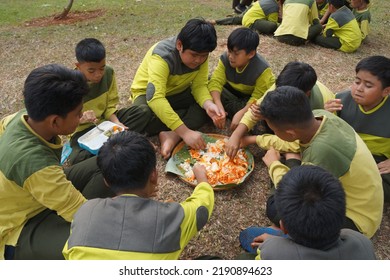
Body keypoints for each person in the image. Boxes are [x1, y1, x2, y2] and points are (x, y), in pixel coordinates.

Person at [0, 64, 113, 260]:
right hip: (18, 224)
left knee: (107, 164)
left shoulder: (17, 118)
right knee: (94, 245)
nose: (81, 117)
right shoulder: (36, 165)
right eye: (78, 113)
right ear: (55, 122)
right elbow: (76, 208)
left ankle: (66, 224)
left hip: (36, 192)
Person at [62, 131, 215, 260]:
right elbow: (202, 207)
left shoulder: (84, 213)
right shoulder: (171, 219)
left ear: (106, 181)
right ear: (154, 176)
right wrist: (202, 180)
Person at [256, 86, 383, 239]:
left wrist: (273, 165)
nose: (274, 133)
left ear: (290, 133)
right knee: (290, 158)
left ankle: (292, 162)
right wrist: (254, 139)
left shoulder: (321, 153)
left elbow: (297, 197)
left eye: (274, 130)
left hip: (355, 223)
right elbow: (293, 143)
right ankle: (292, 160)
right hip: (363, 203)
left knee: (274, 207)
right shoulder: (320, 116)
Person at [130, 18, 223, 160]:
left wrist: (208, 104)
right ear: (179, 45)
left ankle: (172, 134)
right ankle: (179, 125)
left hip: (178, 93)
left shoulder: (201, 55)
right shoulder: (162, 56)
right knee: (143, 114)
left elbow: (199, 86)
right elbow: (155, 98)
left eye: (204, 56)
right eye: (194, 55)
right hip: (147, 95)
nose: (199, 60)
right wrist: (186, 133)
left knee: (204, 111)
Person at [241, 165, 376, 260]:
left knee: (247, 238)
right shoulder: (362, 243)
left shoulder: (272, 252)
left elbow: (270, 253)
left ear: (283, 227)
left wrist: (274, 244)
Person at [67, 38, 151, 164]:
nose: (98, 74)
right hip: (81, 131)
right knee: (77, 159)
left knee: (143, 111)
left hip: (105, 124)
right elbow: (65, 122)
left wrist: (117, 125)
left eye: (101, 68)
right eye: (91, 70)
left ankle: (114, 144)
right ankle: (118, 145)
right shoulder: (68, 85)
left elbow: (110, 106)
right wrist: (80, 118)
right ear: (78, 66)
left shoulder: (109, 73)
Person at [226, 61, 334, 157]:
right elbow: (256, 109)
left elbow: (297, 143)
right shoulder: (284, 86)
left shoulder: (317, 108)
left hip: (309, 141)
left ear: (306, 94)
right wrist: (236, 135)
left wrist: (252, 139)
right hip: (292, 128)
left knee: (293, 155)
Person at [325, 55, 390, 202]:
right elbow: (324, 134)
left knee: (380, 188)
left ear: (386, 91)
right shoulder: (340, 100)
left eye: (368, 86)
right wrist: (324, 115)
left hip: (377, 162)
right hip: (346, 154)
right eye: (357, 81)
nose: (359, 89)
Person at [208, 27, 275, 131]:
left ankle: (234, 112)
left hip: (248, 101)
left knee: (261, 114)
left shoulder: (262, 69)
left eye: (236, 53)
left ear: (251, 54)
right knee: (208, 84)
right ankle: (227, 109)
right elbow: (216, 81)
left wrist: (242, 112)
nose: (230, 56)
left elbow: (257, 97)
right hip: (231, 94)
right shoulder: (225, 59)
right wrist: (218, 105)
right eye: (229, 51)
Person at [210, 0, 281, 35]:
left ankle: (216, 21)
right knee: (274, 26)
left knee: (237, 19)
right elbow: (273, 24)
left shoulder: (263, 1)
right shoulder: (274, 7)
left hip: (246, 17)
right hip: (251, 23)